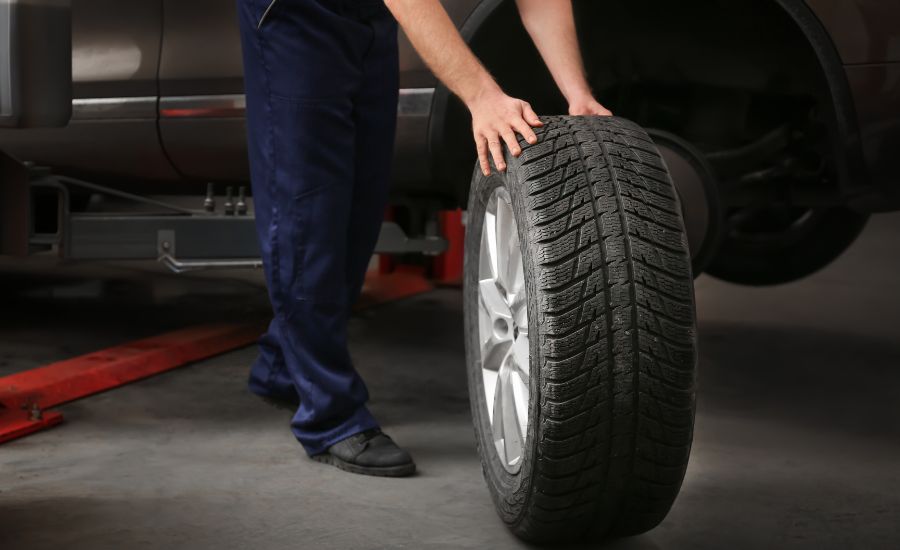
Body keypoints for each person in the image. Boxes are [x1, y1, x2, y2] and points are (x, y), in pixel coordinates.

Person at [236, 0, 611, 478]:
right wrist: (482, 97)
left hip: (366, 14)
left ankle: (282, 367)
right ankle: (329, 418)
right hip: (296, 14)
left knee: (358, 208)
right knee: (310, 213)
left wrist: (577, 94)